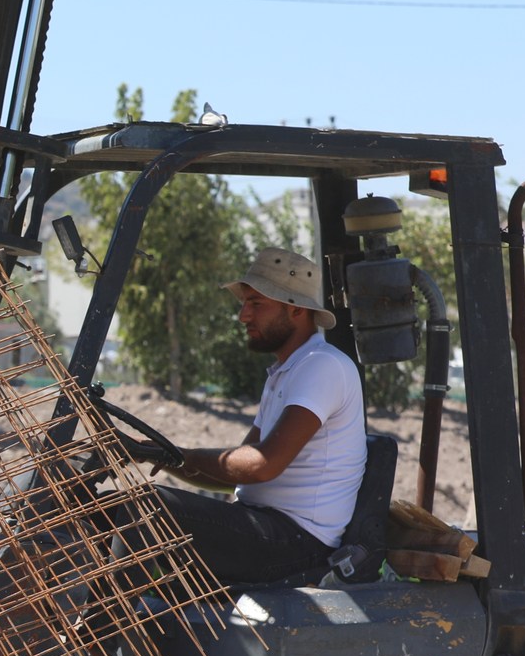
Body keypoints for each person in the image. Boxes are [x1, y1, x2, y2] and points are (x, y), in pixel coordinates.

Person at [133, 247, 367, 587]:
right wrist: (156, 455)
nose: (243, 315)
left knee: (144, 508)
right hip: (264, 527)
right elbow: (236, 477)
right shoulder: (285, 372)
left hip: (297, 543)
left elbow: (261, 465)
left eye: (256, 304)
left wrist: (175, 455)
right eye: (245, 303)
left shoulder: (323, 366)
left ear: (296, 309)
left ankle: (98, 637)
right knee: (109, 510)